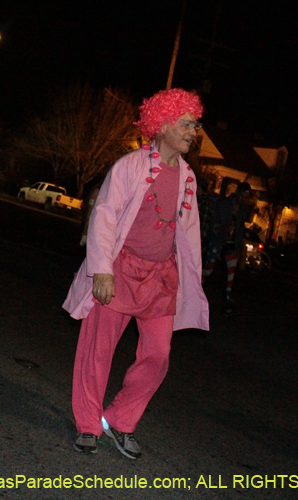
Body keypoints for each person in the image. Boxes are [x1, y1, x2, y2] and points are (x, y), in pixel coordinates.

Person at [63, 88, 208, 458]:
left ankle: (121, 419)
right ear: (161, 124)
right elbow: (105, 215)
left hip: (161, 277)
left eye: (195, 124)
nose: (194, 131)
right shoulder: (130, 166)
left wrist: (192, 283)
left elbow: (188, 235)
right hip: (120, 269)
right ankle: (88, 424)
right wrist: (101, 270)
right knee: (98, 350)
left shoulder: (188, 177)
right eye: (187, 124)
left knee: (158, 355)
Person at [201, 181, 252, 313]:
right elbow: (214, 223)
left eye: (247, 197)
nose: (244, 199)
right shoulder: (223, 203)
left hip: (231, 244)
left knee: (231, 273)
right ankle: (196, 293)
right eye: (244, 195)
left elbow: (240, 227)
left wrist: (239, 244)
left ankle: (227, 300)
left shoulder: (243, 209)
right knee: (208, 270)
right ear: (238, 193)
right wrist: (223, 229)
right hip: (217, 241)